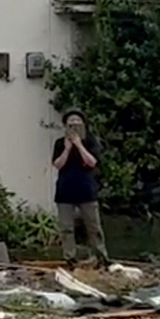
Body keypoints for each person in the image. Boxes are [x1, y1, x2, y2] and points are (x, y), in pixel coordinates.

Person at [50, 110, 107, 266]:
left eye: (77, 122)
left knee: (93, 227)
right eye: (70, 122)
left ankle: (101, 257)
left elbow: (92, 162)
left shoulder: (90, 141)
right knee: (66, 229)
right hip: (65, 190)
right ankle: (70, 258)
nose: (74, 125)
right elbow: (57, 164)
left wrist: (79, 145)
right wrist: (68, 148)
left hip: (86, 189)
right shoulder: (60, 143)